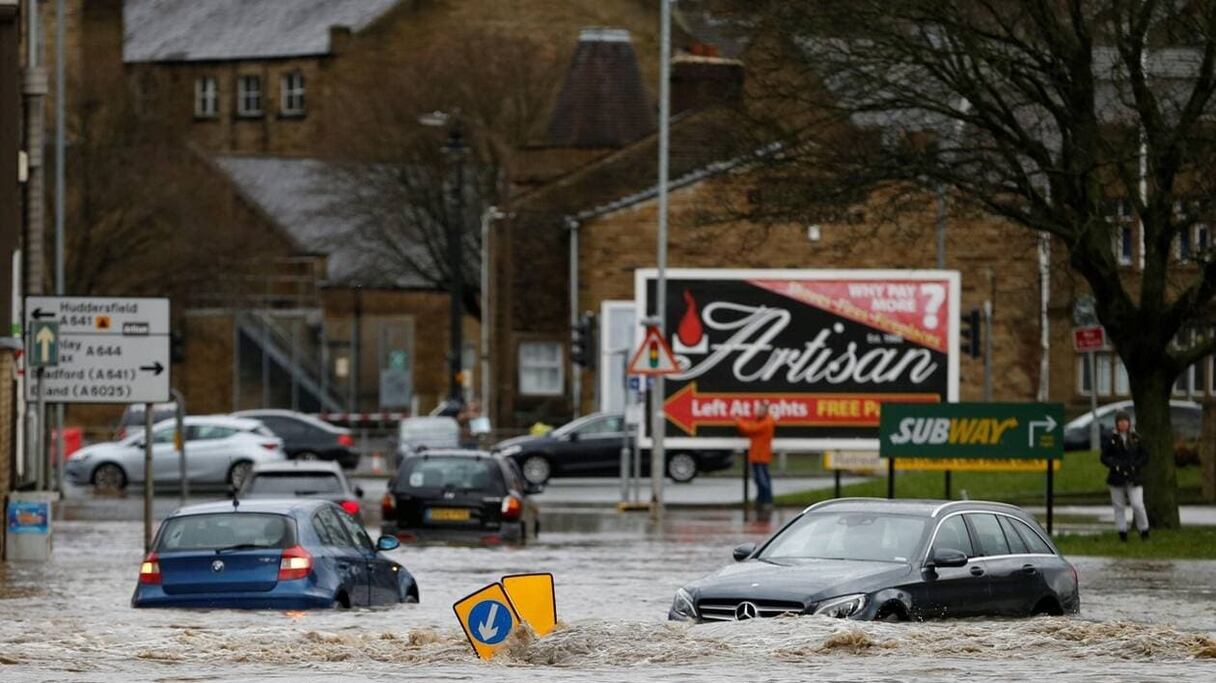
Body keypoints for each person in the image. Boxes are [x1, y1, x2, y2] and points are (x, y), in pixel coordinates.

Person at [1099, 410, 1150, 541]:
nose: (1123, 424)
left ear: (1129, 422)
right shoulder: (1111, 439)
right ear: (1117, 423)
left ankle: (1144, 530)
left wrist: (1136, 465)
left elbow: (1144, 455)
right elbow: (1104, 457)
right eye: (1120, 421)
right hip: (1116, 476)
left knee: (1137, 504)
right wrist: (1114, 464)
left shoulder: (1136, 438)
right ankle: (1122, 532)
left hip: (1134, 476)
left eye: (1125, 421)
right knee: (1119, 506)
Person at [737, 402, 776, 509]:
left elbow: (750, 429)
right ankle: (761, 500)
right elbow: (750, 429)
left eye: (760, 410)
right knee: (758, 480)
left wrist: (739, 421)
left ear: (765, 411)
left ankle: (767, 501)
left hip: (761, 456)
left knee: (763, 480)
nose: (757, 412)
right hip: (756, 455)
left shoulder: (767, 422)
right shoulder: (760, 421)